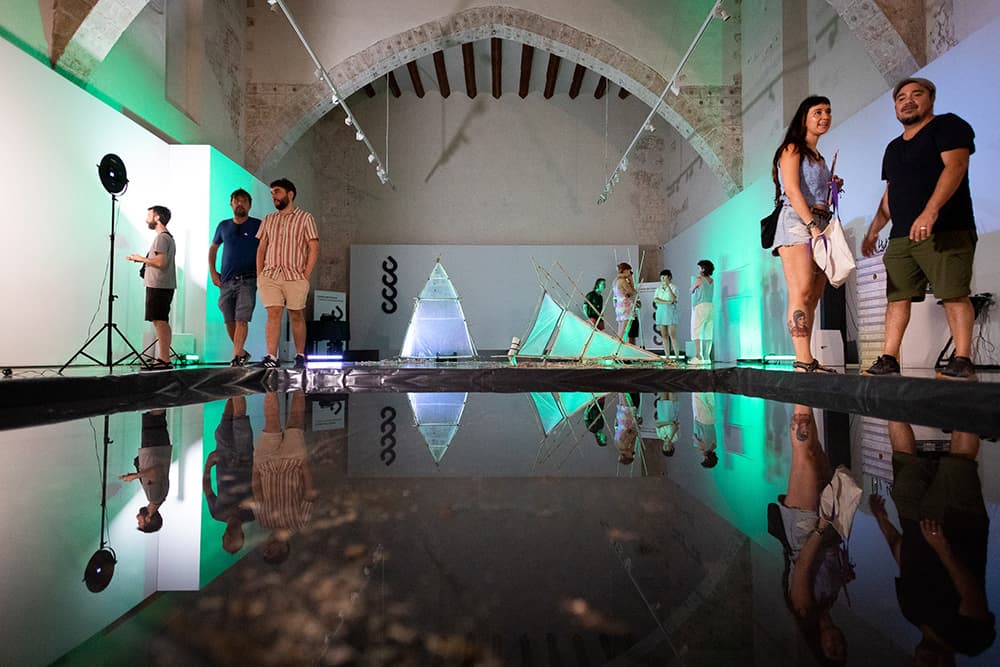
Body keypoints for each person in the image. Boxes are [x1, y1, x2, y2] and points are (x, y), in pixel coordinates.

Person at [861, 77, 979, 381]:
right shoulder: (893, 148)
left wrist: (930, 211)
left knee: (953, 293)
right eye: (901, 98)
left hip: (946, 229)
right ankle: (889, 358)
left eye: (916, 94)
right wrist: (874, 229)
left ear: (931, 98)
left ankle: (963, 359)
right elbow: (891, 194)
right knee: (896, 298)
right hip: (901, 236)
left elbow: (956, 166)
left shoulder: (948, 126)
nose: (908, 101)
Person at [870, 422, 994, 659]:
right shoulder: (969, 642)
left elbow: (903, 558)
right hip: (956, 525)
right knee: (961, 460)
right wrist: (943, 550)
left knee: (903, 456)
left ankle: (893, 399)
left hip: (911, 517)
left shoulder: (910, 612)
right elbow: (973, 598)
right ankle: (965, 398)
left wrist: (882, 520)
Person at [766, 404, 851, 663]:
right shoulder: (829, 602)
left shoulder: (803, 610)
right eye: (842, 648)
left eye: (832, 650)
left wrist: (821, 527)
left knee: (804, 457)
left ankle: (801, 380)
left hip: (807, 532)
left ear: (819, 647)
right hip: (825, 531)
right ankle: (806, 384)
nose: (836, 643)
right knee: (815, 452)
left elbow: (803, 566)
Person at [771, 95, 841, 373]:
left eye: (828, 111)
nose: (824, 117)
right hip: (797, 221)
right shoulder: (792, 148)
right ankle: (802, 360)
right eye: (818, 112)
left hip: (821, 221)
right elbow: (791, 189)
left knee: (813, 294)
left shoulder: (819, 157)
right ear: (804, 117)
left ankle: (808, 358)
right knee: (800, 290)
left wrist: (832, 187)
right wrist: (811, 224)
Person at [243, 391, 317, 565]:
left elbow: (257, 493)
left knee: (271, 422)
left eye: (265, 550)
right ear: (283, 549)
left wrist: (255, 469)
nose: (267, 547)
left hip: (266, 465)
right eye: (271, 551)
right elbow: (309, 494)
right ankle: (298, 382)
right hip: (292, 464)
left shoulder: (264, 522)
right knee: (296, 421)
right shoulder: (299, 523)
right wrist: (304, 464)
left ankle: (270, 384)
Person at [256, 178, 320, 369]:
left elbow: (313, 247)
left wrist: (306, 274)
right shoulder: (269, 219)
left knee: (296, 314)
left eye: (277, 191)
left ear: (290, 194)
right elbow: (261, 247)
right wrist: (260, 274)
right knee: (273, 313)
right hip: (271, 274)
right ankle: (271, 356)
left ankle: (300, 355)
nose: (273, 196)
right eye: (272, 193)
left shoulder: (305, 218)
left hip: (295, 275)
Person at [210, 189, 262, 367]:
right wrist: (213, 271)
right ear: (231, 203)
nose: (240, 204)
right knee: (229, 318)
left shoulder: (258, 225)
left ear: (249, 205)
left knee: (242, 318)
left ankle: (236, 357)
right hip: (226, 279)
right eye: (236, 200)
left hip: (248, 278)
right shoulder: (223, 226)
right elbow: (213, 248)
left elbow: (266, 249)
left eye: (244, 201)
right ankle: (241, 352)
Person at [203, 396, 256, 554]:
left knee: (226, 418)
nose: (229, 536)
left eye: (227, 539)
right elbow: (260, 487)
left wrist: (208, 465)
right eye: (233, 539)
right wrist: (256, 463)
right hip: (244, 457)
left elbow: (207, 490)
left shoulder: (217, 514)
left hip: (223, 455)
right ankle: (239, 384)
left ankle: (232, 387)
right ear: (242, 536)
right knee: (240, 417)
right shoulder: (251, 514)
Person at [127, 205, 176, 370]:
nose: (146, 219)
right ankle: (164, 358)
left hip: (159, 285)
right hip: (161, 285)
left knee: (159, 321)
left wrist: (140, 259)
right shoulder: (166, 237)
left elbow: (161, 262)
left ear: (157, 217)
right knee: (160, 320)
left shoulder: (162, 238)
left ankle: (164, 359)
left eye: (149, 215)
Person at [119, 409, 172, 533]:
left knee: (156, 416)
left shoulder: (159, 497)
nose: (137, 517)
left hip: (155, 447)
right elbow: (156, 471)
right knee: (155, 415)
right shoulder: (155, 497)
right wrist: (135, 476)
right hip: (154, 446)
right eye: (140, 522)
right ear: (148, 519)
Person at [690, 260, 715, 364]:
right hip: (710, 306)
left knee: (696, 330)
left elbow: (691, 290)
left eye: (699, 268)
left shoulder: (699, 279)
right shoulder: (711, 280)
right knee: (708, 330)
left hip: (700, 306)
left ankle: (698, 356)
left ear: (703, 269)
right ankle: (707, 357)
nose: (698, 270)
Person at [653, 269, 679, 357]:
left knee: (672, 335)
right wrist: (667, 302)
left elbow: (674, 299)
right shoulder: (658, 289)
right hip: (661, 313)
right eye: (662, 277)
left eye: (665, 277)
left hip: (670, 313)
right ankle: (667, 355)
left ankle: (677, 355)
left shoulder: (674, 288)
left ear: (669, 277)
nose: (663, 279)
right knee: (664, 335)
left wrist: (668, 287)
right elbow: (656, 299)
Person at [613, 263, 638, 343]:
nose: (630, 273)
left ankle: (617, 346)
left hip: (619, 306)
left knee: (620, 329)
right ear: (626, 270)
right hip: (625, 306)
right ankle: (618, 347)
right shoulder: (623, 281)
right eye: (629, 271)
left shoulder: (616, 280)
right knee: (624, 331)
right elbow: (633, 292)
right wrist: (631, 280)